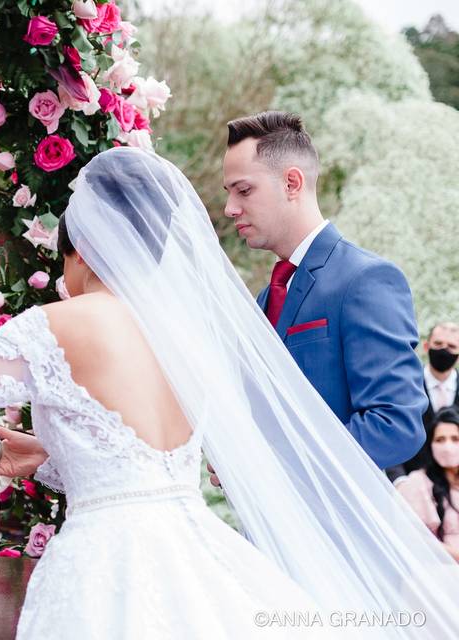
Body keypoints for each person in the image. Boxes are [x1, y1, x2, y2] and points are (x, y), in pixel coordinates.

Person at [0, 147, 458, 638]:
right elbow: (135, 460)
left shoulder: (56, 324)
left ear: (81, 251)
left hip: (105, 564)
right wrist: (43, 454)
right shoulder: (190, 337)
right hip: (201, 554)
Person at [222, 111, 426, 470]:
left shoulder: (367, 280)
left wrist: (275, 465)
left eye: (244, 190)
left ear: (292, 183)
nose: (230, 208)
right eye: (229, 193)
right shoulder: (266, 297)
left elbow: (396, 425)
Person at [389, 323, 459, 482]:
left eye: (451, 346)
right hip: (411, 484)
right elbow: (394, 435)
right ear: (427, 346)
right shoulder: (405, 386)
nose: (444, 350)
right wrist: (400, 481)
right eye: (439, 344)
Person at [397, 407, 459, 562]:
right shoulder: (417, 484)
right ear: (430, 445)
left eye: (455, 439)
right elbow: (418, 541)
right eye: (440, 439)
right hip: (442, 572)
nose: (447, 446)